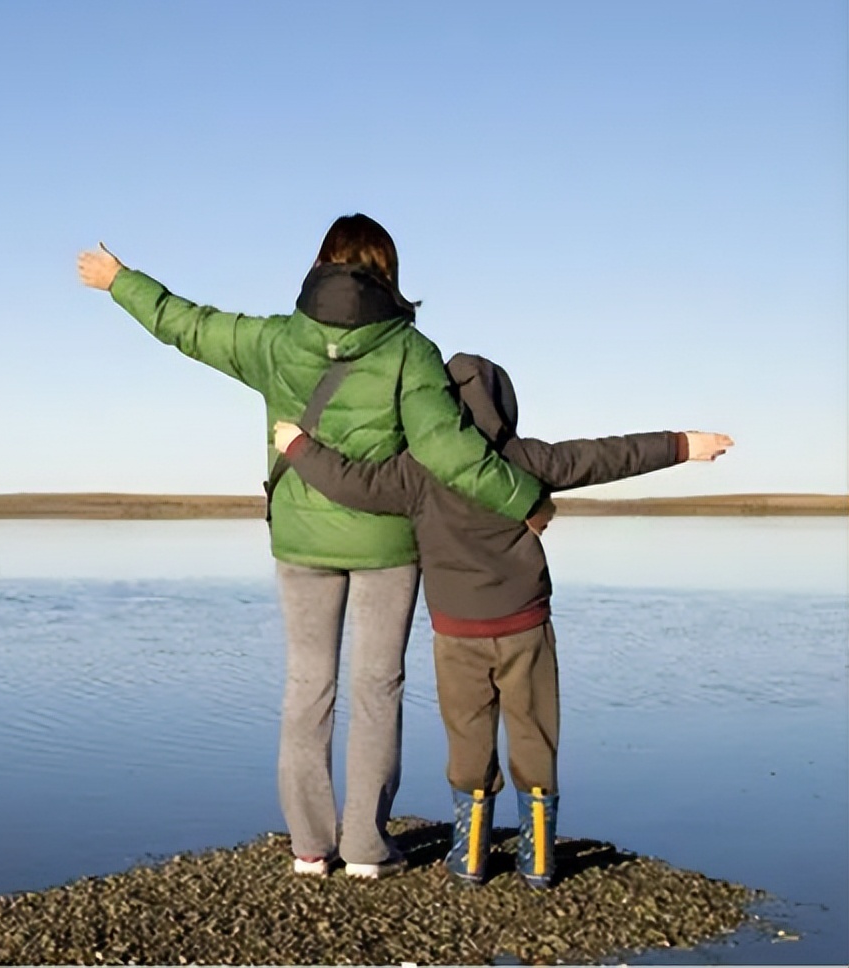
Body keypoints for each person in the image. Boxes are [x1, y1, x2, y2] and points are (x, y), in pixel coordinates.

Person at [77, 215, 551, 879]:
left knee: (307, 687)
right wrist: (523, 499)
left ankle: (309, 846)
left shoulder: (275, 340)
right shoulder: (410, 352)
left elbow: (184, 324)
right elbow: (447, 450)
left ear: (321, 266)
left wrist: (119, 281)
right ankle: (364, 847)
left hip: (300, 539)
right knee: (377, 688)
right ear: (388, 271)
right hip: (388, 542)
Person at [272, 352, 733, 888]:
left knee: (468, 739)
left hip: (456, 633)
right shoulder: (527, 459)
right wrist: (683, 445)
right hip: (525, 626)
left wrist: (298, 446)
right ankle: (537, 860)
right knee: (534, 733)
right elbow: (605, 457)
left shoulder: (418, 470)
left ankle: (470, 857)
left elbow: (352, 483)